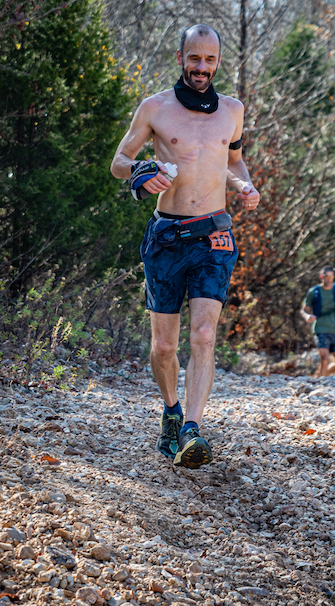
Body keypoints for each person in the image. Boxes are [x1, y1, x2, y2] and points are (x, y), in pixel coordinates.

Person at [110, 24, 260, 468]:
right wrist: (141, 171)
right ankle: (173, 411)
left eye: (209, 59)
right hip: (166, 237)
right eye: (194, 58)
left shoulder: (232, 110)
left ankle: (193, 429)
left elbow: (234, 162)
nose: (201, 67)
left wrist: (246, 185)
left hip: (214, 235)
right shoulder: (155, 107)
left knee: (205, 334)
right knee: (163, 347)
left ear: (218, 62)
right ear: (181, 58)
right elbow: (118, 161)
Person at [301, 267, 335, 377]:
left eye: (331, 276)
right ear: (321, 277)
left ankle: (323, 375)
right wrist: (307, 316)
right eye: (327, 276)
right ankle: (321, 383)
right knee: (324, 359)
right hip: (321, 329)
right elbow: (304, 309)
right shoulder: (313, 291)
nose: (329, 279)